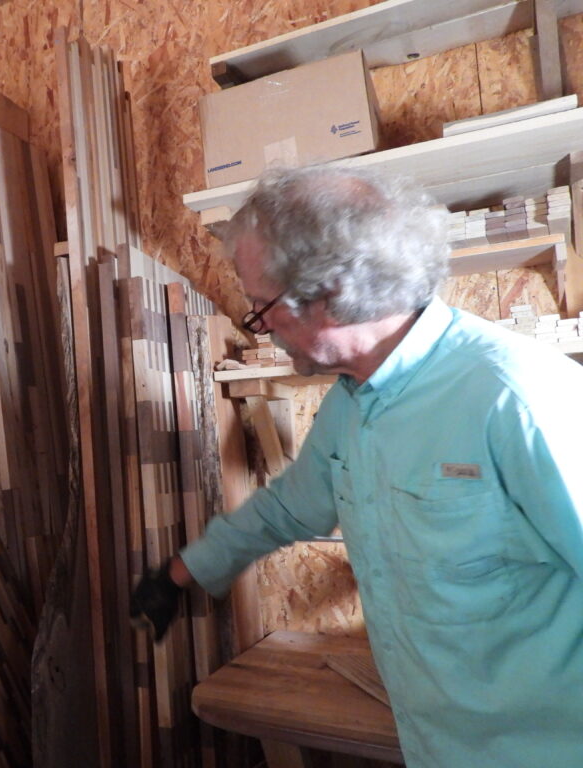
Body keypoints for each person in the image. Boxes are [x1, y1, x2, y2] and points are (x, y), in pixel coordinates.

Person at [130, 164, 583, 767]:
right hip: (438, 747)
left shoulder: (514, 396)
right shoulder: (353, 404)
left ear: (330, 296)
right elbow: (290, 508)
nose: (262, 329)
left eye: (260, 309)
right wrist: (179, 574)